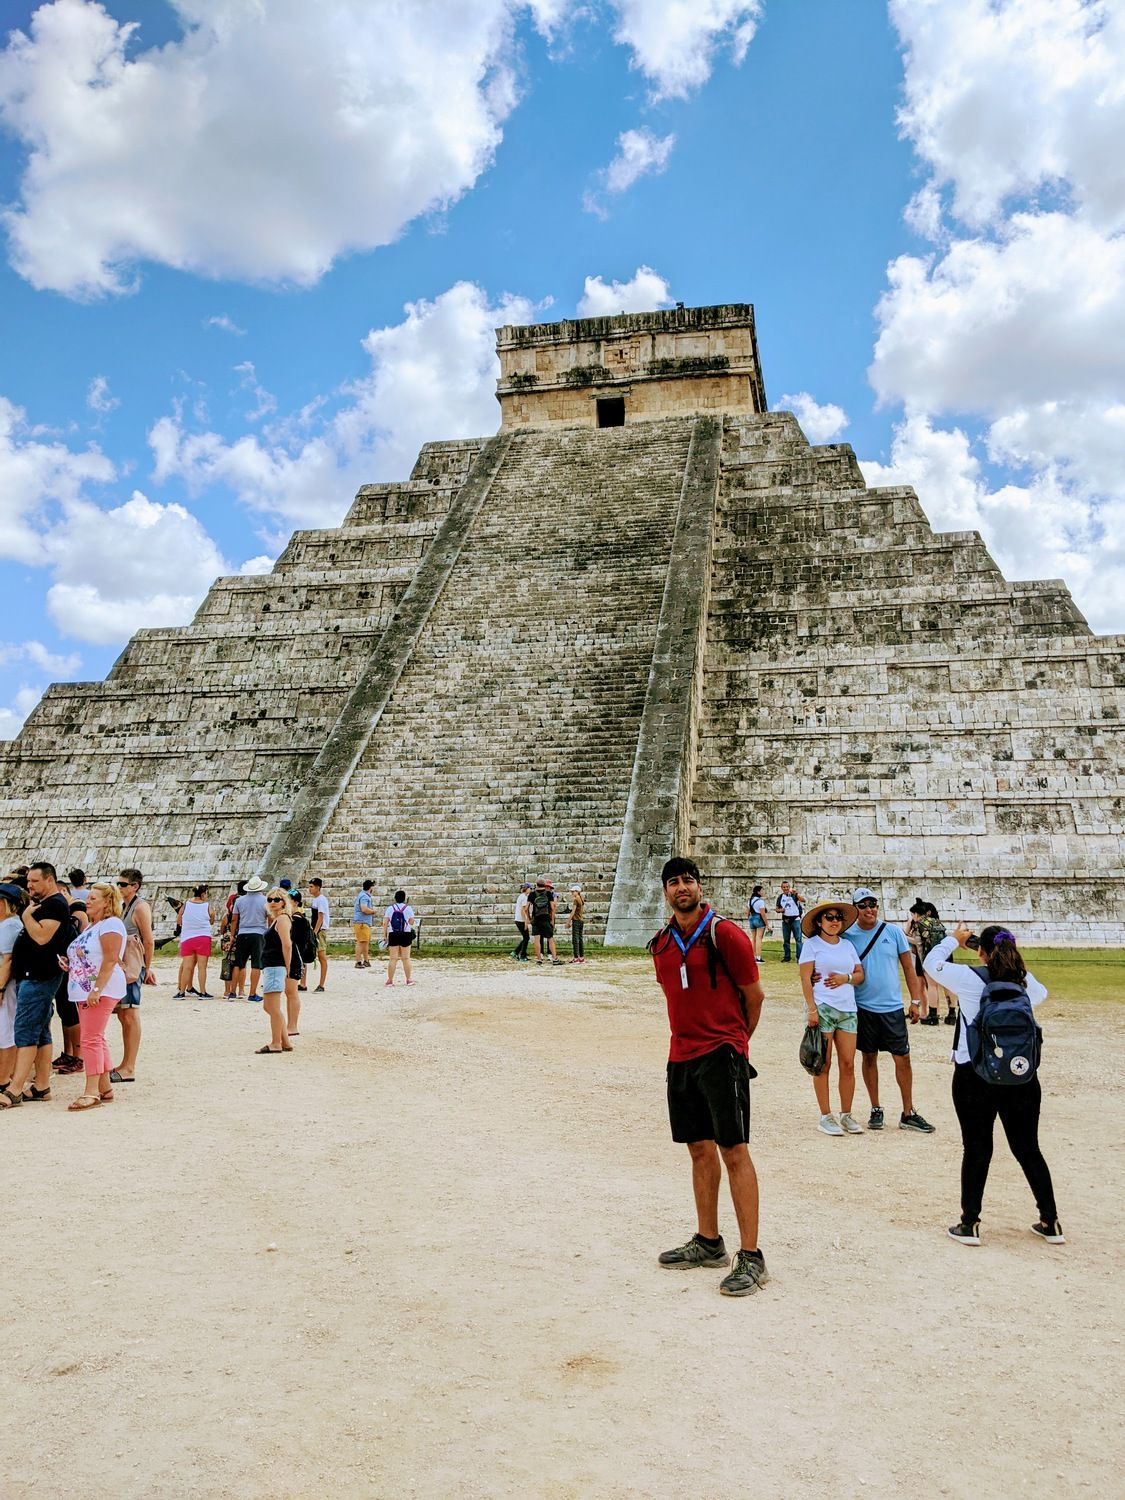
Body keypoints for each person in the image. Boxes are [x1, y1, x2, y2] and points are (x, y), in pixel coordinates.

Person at [650, 857, 767, 1297]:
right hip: (681, 1054)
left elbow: (754, 996)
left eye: (689, 880)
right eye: (674, 882)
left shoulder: (726, 934)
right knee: (698, 1149)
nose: (682, 887)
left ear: (700, 887)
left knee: (733, 1149)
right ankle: (708, 1241)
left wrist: (736, 1042)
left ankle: (752, 1256)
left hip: (721, 1053)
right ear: (665, 891)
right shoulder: (661, 943)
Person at [925, 923, 1063, 1246]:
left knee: (976, 1148)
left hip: (974, 1073)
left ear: (981, 952)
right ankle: (1050, 1220)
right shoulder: (1023, 982)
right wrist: (1013, 966)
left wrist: (953, 940)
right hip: (1020, 1074)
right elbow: (1040, 994)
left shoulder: (971, 979)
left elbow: (931, 964)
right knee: (1028, 1148)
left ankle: (969, 1223)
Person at [844, 888, 935, 1134]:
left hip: (892, 1007)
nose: (869, 909)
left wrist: (916, 1001)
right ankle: (876, 1107)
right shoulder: (847, 935)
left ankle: (908, 1111)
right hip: (863, 1007)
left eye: (873, 904)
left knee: (902, 1058)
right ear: (855, 909)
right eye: (863, 905)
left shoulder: (893, 932)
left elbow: (908, 966)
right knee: (869, 1056)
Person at [1, 861, 76, 1109]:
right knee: (41, 1032)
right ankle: (42, 1085)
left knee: (25, 1031)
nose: (29, 885)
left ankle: (14, 1089)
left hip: (39, 976)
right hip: (32, 975)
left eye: (34, 881)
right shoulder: (43, 905)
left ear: (49, 880)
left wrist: (26, 916)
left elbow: (43, 937)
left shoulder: (55, 904)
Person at [59, 881, 127, 1110]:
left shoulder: (111, 925)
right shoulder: (93, 926)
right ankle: (104, 1087)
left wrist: (97, 989)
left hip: (99, 988)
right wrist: (70, 963)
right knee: (96, 1037)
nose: (87, 901)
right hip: (85, 987)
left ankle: (91, 1091)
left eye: (93, 899)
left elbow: (110, 959)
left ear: (107, 902)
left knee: (90, 1039)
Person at [798, 898, 863, 1135]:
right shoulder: (812, 945)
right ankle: (826, 1115)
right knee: (823, 1063)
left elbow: (859, 975)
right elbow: (805, 978)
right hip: (824, 1006)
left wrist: (844, 978)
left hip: (848, 1008)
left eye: (838, 917)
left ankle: (846, 1114)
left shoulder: (847, 946)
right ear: (819, 921)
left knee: (848, 1063)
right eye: (829, 917)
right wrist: (812, 1009)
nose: (835, 921)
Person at [111, 868, 154, 1084]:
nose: (120, 887)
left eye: (123, 884)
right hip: (124, 968)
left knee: (129, 1015)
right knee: (123, 1015)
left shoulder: (140, 907)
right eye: (118, 884)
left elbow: (148, 940)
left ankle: (129, 1066)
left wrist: (148, 968)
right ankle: (125, 1063)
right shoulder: (125, 906)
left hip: (132, 968)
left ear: (135, 886)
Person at [257, 890, 294, 1053]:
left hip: (275, 965)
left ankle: (276, 1042)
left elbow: (287, 944)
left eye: (277, 899)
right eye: (270, 899)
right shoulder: (277, 919)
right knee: (271, 1007)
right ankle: (284, 1041)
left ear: (283, 902)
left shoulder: (282, 919)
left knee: (271, 1006)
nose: (273, 902)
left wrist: (288, 967)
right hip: (271, 965)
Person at [0, 881, 27, 1094]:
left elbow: (7, 960)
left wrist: (0, 988)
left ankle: (4, 1078)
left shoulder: (10, 925)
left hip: (6, 986)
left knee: (5, 1031)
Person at [230, 876, 269, 1003]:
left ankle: (232, 992)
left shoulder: (239, 901)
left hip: (242, 933)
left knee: (238, 963)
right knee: (256, 964)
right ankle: (252, 993)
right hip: (258, 933)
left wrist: (232, 935)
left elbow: (234, 919)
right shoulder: (265, 900)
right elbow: (269, 918)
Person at [173, 883, 215, 999]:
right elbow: (211, 920)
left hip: (187, 939)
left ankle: (181, 992)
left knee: (187, 966)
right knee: (202, 967)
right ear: (203, 894)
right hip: (203, 938)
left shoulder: (185, 905)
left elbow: (179, 920)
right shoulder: (207, 906)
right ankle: (202, 991)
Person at [383, 890, 416, 986]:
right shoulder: (408, 908)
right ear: (404, 898)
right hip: (405, 933)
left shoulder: (390, 908)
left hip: (393, 933)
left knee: (393, 958)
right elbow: (411, 922)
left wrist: (384, 936)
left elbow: (385, 923)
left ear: (395, 898)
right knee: (406, 958)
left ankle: (390, 980)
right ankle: (408, 979)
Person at [528, 879, 560, 965]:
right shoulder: (549, 894)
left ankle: (539, 959)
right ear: (544, 885)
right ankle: (554, 959)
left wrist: (530, 918)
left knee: (537, 939)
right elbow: (553, 908)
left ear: (536, 885)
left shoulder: (532, 894)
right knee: (550, 938)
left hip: (536, 918)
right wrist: (552, 920)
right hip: (546, 918)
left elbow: (526, 908)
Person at [307, 877, 330, 992]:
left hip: (320, 931)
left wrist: (315, 932)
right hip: (316, 929)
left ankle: (322, 984)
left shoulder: (321, 900)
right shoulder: (316, 900)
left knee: (322, 957)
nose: (309, 889)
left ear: (318, 887)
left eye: (311, 887)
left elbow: (320, 917)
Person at [775, 881, 803, 961]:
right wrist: (780, 910)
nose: (786, 888)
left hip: (795, 920)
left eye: (787, 887)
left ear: (789, 887)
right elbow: (777, 909)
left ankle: (799, 957)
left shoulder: (794, 895)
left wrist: (796, 894)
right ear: (782, 888)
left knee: (798, 940)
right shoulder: (780, 897)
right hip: (786, 920)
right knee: (786, 940)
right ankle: (787, 957)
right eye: (784, 887)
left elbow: (803, 900)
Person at [353, 879, 376, 968]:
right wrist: (373, 911)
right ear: (370, 887)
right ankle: (358, 961)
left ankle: (366, 960)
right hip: (362, 922)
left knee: (365, 942)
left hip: (364, 922)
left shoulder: (363, 895)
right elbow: (364, 909)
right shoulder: (364, 897)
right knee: (361, 942)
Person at [746, 884, 771, 960]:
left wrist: (749, 919)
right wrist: (767, 925)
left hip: (752, 918)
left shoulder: (749, 900)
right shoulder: (760, 901)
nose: (763, 892)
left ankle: (753, 956)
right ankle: (758, 957)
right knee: (759, 938)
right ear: (758, 892)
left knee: (753, 939)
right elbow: (763, 914)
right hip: (759, 918)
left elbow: (747, 912)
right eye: (762, 890)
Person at [511, 883, 531, 962]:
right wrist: (526, 921)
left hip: (519, 919)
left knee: (526, 937)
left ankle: (516, 952)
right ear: (527, 889)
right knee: (526, 938)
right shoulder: (524, 897)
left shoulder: (522, 896)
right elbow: (523, 910)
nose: (530, 890)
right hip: (521, 920)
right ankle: (522, 955)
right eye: (530, 888)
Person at [567, 885, 586, 963]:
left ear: (577, 892)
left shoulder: (576, 899)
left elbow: (573, 911)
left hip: (576, 920)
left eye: (573, 891)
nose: (572, 893)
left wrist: (568, 921)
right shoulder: (581, 899)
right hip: (581, 920)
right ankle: (581, 957)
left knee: (575, 939)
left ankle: (576, 957)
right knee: (580, 939)